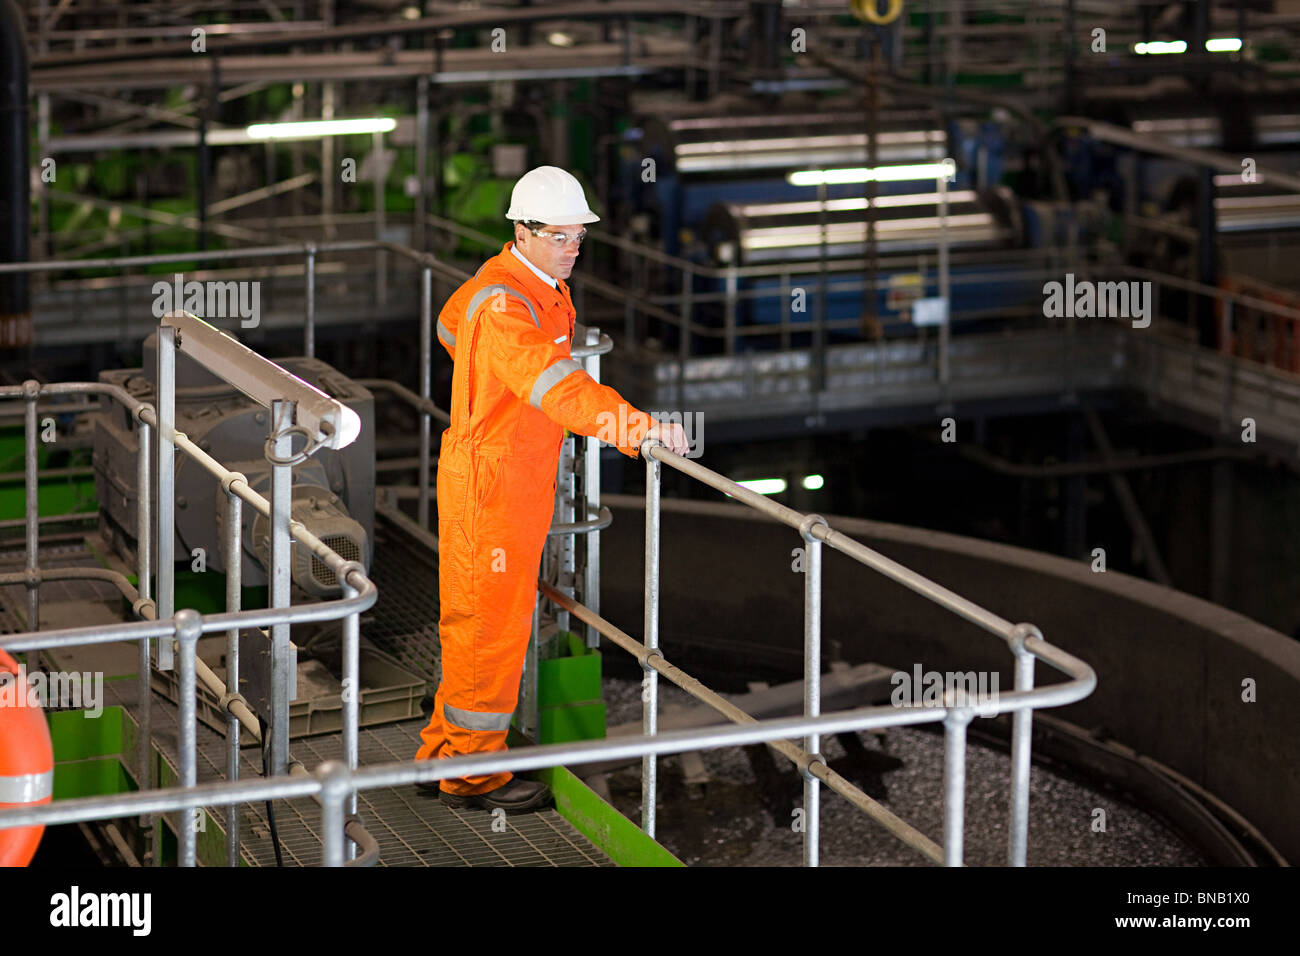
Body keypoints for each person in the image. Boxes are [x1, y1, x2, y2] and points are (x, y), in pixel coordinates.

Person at [413, 166, 689, 812]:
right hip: (495, 486)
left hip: (504, 475)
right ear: (523, 231)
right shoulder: (510, 305)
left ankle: (444, 755)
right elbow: (556, 384)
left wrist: (488, 378)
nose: (572, 248)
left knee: (474, 620)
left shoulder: (512, 282)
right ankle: (473, 777)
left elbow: (453, 326)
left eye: (578, 236)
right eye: (560, 236)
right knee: (492, 628)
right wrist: (638, 427)